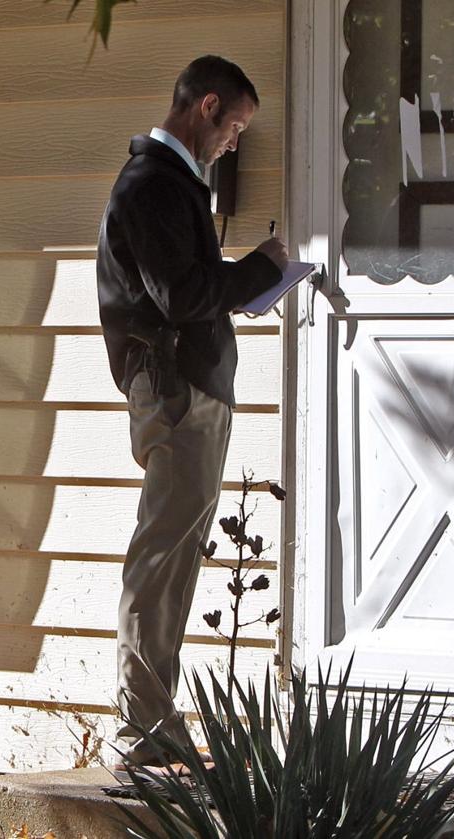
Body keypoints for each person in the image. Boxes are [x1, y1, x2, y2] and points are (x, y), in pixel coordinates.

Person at [96, 54, 289, 776]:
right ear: (206, 107)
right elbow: (180, 296)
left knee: (175, 558)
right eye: (235, 125)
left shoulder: (176, 183)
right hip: (174, 389)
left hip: (192, 388)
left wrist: (244, 275)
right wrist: (263, 267)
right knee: (162, 555)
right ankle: (140, 732)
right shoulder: (151, 185)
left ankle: (155, 724)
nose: (235, 141)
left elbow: (186, 286)